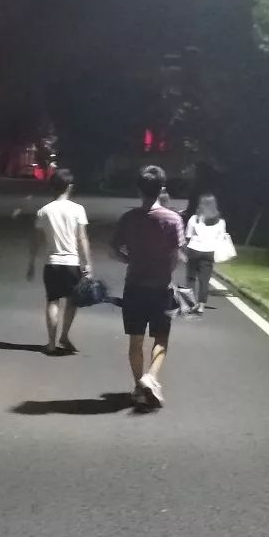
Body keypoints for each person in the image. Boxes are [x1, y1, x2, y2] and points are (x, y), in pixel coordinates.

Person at [112, 165, 185, 410]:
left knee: (135, 341)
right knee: (161, 338)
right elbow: (175, 256)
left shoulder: (129, 218)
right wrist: (165, 269)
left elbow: (113, 249)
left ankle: (138, 387)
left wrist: (130, 260)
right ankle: (151, 377)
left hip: (134, 286)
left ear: (139, 189)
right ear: (162, 188)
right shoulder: (173, 219)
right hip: (161, 288)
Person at [27, 168, 92, 354]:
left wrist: (31, 264)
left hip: (52, 263)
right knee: (72, 302)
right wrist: (87, 263)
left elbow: (37, 241)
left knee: (52, 301)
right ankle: (64, 335)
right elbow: (82, 238)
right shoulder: (78, 209)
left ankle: (51, 343)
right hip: (72, 263)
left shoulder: (44, 211)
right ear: (69, 187)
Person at [183, 193, 226, 314]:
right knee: (204, 280)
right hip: (209, 252)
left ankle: (191, 303)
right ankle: (201, 305)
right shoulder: (220, 221)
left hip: (194, 250)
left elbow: (188, 236)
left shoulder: (194, 219)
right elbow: (221, 238)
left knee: (191, 278)